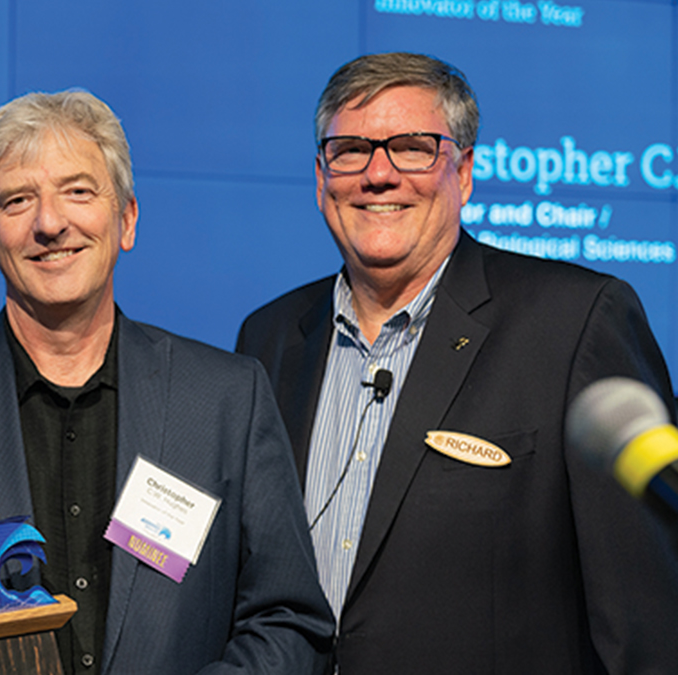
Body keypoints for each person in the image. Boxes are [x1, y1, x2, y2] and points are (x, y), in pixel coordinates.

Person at [0, 90, 334, 675]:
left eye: (78, 191)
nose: (51, 223)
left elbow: (289, 618)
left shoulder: (228, 397)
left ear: (125, 219)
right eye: (19, 200)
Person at [236, 52, 678, 673]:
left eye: (413, 148)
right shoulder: (269, 337)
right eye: (351, 150)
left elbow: (644, 617)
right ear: (320, 176)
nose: (379, 174)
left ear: (464, 173)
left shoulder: (576, 322)